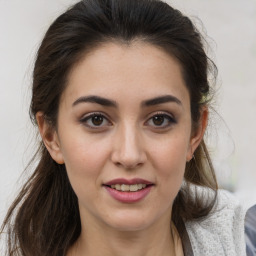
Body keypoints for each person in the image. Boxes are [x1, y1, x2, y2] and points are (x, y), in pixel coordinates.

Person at [0, 0, 246, 255]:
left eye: (159, 119)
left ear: (195, 132)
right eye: (96, 120)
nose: (129, 155)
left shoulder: (245, 241)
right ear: (51, 136)